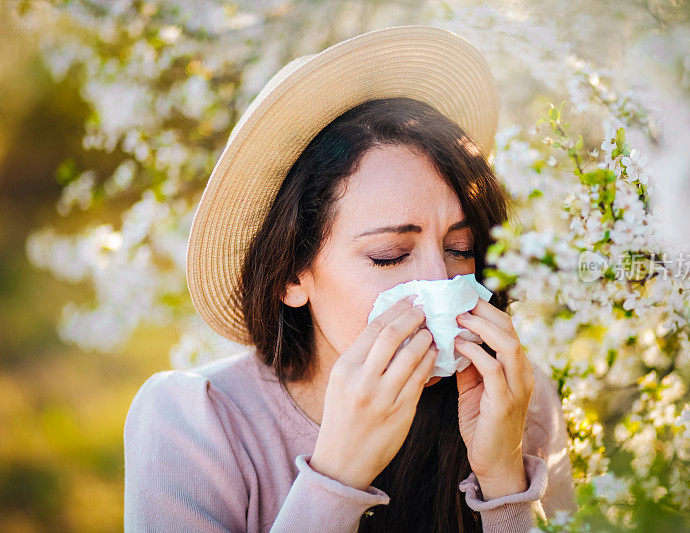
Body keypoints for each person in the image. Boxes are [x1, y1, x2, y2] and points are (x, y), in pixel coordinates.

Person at [124, 25, 577, 532]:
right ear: (292, 275)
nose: (441, 282)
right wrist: (336, 476)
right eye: (388, 256)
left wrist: (504, 484)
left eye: (459, 249)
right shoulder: (194, 424)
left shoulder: (513, 400)